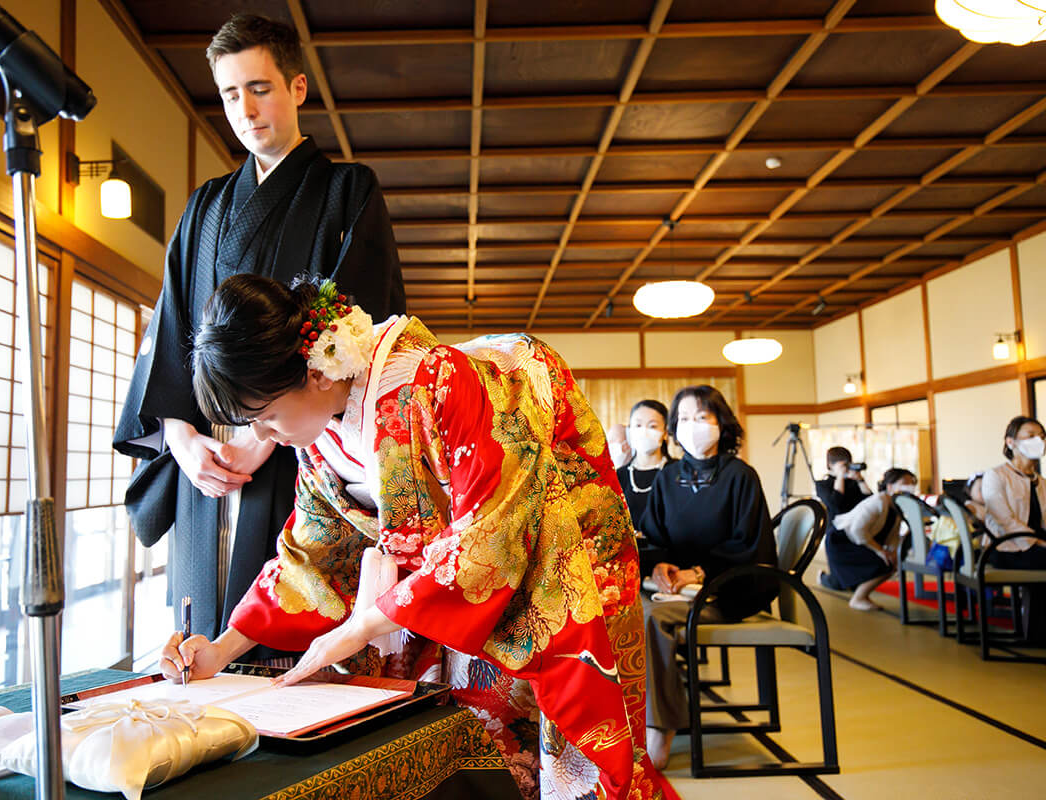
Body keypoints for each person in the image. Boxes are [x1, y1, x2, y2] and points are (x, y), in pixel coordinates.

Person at [158, 275, 668, 800]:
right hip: (448, 591)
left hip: (557, 566)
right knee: (463, 742)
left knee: (562, 755)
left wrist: (361, 627)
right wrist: (220, 650)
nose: (261, 438)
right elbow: (310, 555)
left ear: (314, 371)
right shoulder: (317, 435)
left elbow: (490, 535)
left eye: (263, 418)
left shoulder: (435, 380)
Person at [112, 13, 405, 649]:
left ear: (297, 87)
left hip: (298, 453)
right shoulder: (205, 206)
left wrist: (264, 436)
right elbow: (169, 333)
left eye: (260, 88)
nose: (245, 109)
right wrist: (183, 439)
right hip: (205, 463)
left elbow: (356, 328)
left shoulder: (345, 190)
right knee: (199, 637)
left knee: (292, 623)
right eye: (229, 94)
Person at [635, 385, 778, 770]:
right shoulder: (667, 479)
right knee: (625, 610)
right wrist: (659, 566)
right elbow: (654, 538)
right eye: (683, 419)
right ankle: (636, 715)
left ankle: (659, 727)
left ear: (721, 423)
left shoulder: (741, 476)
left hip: (726, 592)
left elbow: (751, 544)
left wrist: (698, 572)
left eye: (702, 418)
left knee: (653, 619)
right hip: (678, 592)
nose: (692, 427)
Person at [981, 416, 1046, 642]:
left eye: (1042, 436)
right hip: (1006, 548)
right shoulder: (996, 476)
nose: (1039, 440)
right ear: (1011, 443)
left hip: (1037, 548)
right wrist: (1039, 542)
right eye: (1030, 436)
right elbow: (1005, 521)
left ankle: (1036, 632)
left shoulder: (1041, 481)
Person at [823, 468, 919, 612]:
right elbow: (857, 530)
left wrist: (893, 554)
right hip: (841, 542)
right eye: (905, 484)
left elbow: (891, 537)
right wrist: (880, 551)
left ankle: (826, 579)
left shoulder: (897, 506)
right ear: (890, 487)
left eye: (912, 485)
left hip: (857, 542)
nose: (909, 488)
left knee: (891, 562)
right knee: (882, 563)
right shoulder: (878, 501)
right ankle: (858, 598)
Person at [815, 447, 872, 592]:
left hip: (855, 529)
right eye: (841, 465)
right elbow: (835, 503)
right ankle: (823, 578)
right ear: (830, 466)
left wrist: (860, 479)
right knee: (839, 584)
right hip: (835, 534)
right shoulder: (823, 484)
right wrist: (839, 477)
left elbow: (871, 501)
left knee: (856, 582)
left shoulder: (853, 483)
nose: (845, 469)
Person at [616, 400, 671, 531]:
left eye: (652, 426)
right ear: (630, 430)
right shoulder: (619, 476)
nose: (644, 431)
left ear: (665, 432)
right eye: (638, 425)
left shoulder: (677, 472)